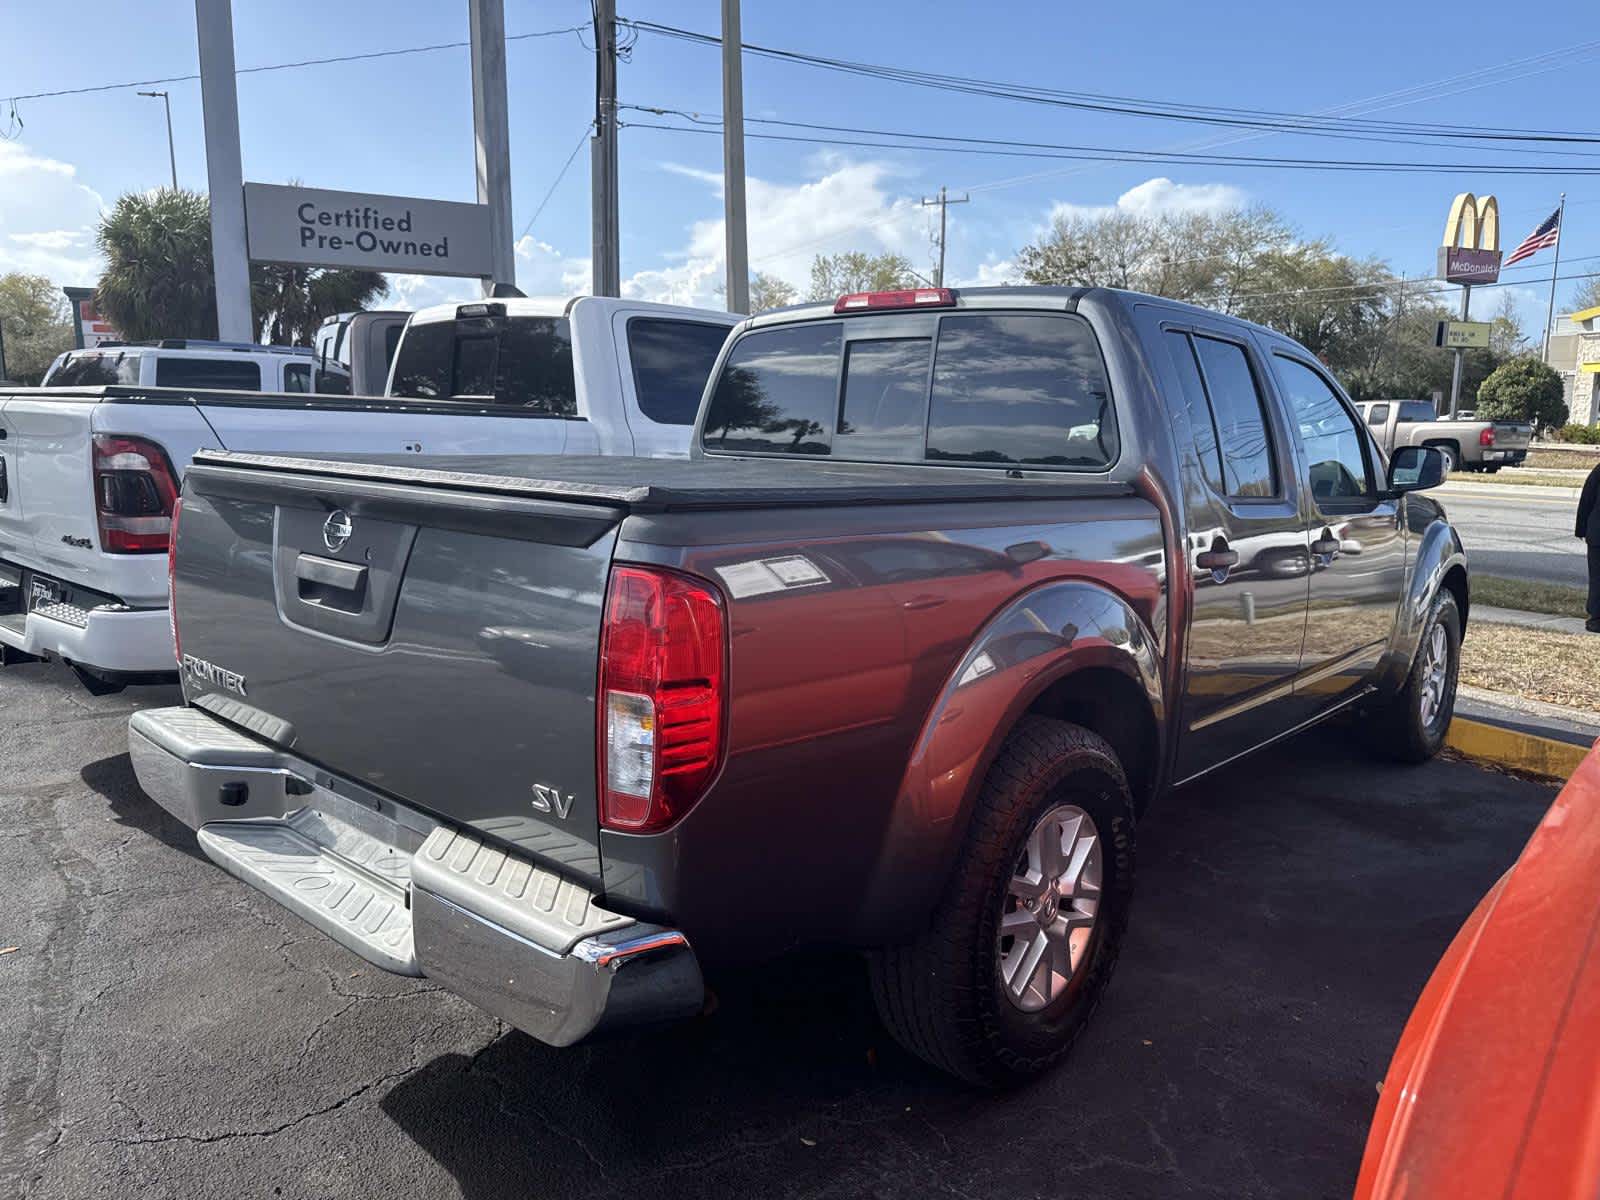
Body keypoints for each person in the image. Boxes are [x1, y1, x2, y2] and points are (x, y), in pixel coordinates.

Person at [1581, 458, 1600, 633]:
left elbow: (1586, 499)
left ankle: (1596, 618)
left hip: (1596, 535)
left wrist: (1581, 529)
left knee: (1597, 579)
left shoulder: (1598, 471)